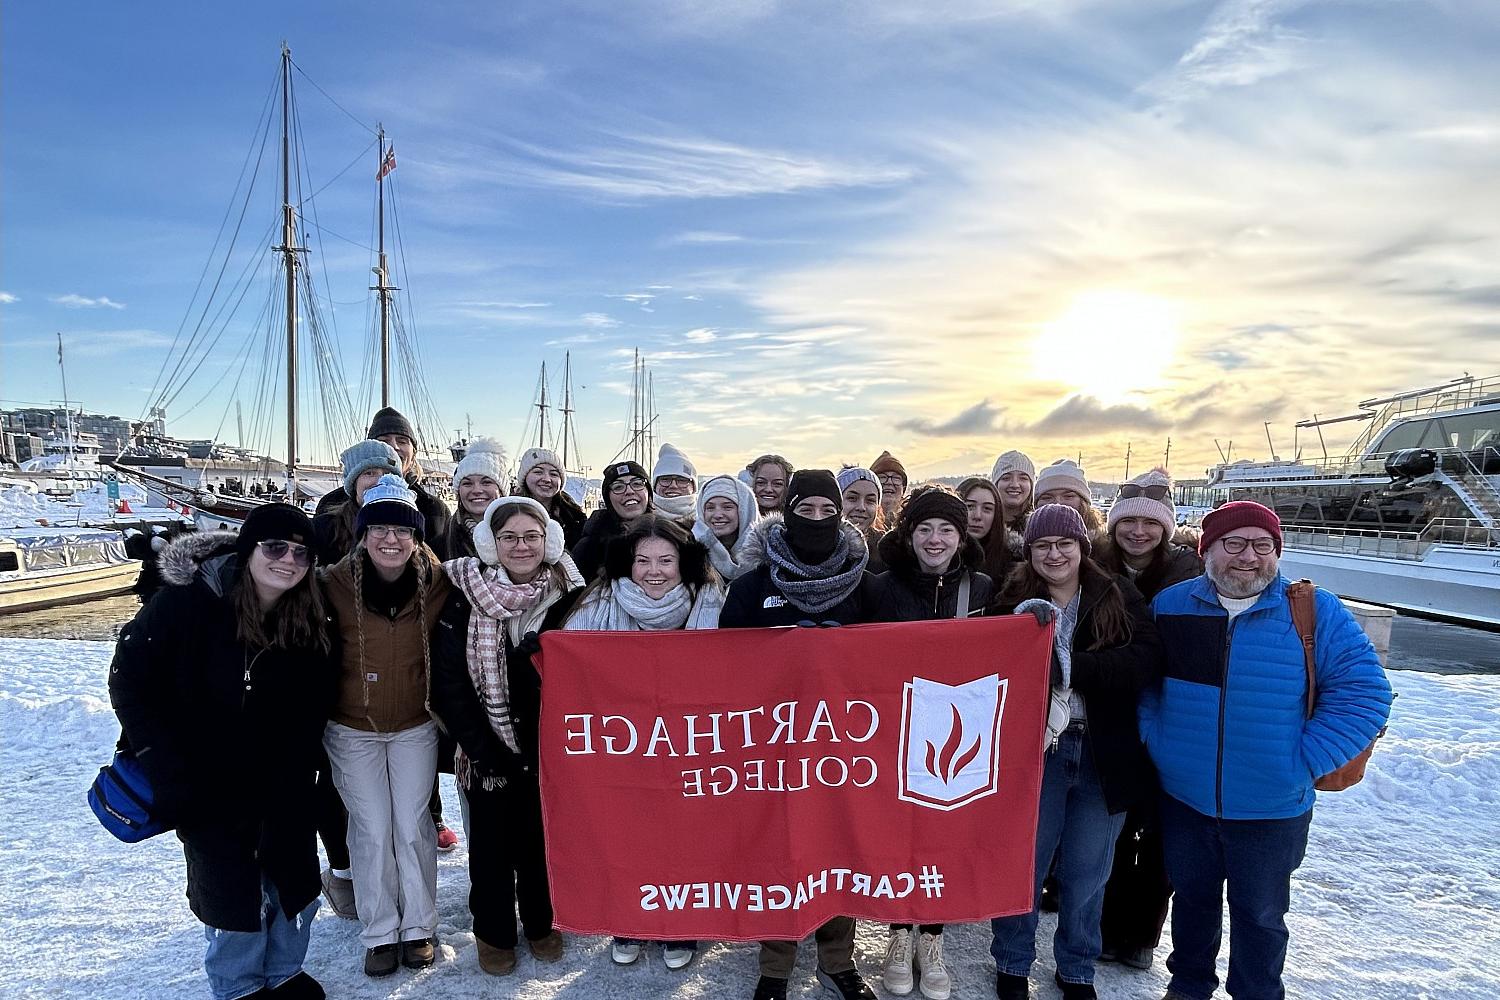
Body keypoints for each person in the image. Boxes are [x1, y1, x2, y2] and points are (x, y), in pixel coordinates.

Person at [1143, 501, 1392, 1000]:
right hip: (1185, 798)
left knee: (1260, 914)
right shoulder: (1171, 606)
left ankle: (1256, 993)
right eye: (1233, 544)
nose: (1247, 557)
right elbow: (1147, 682)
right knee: (1192, 901)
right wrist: (1156, 737)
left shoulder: (1313, 611)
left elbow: (1366, 692)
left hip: (1272, 805)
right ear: (1206, 549)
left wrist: (1304, 760)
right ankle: (1189, 984)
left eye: (1262, 545)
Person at [107, 505, 334, 1000]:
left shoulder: (309, 613)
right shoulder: (189, 603)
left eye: (301, 552)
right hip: (206, 776)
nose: (288, 560)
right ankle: (239, 986)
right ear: (248, 549)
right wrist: (160, 762)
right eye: (275, 547)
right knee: (232, 892)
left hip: (283, 778)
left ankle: (284, 971)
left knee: (291, 882)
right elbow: (129, 681)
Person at [990, 504, 1164, 1000]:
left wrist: (1072, 667)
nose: (1054, 554)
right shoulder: (1015, 596)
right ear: (1030, 552)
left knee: (1090, 869)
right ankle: (1011, 960)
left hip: (1102, 752)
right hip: (1035, 750)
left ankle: (1077, 966)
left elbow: (1145, 660)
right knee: (1026, 861)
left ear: (1082, 547)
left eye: (1064, 543)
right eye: (1042, 546)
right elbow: (995, 666)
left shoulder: (1116, 594)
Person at [721, 469, 878, 1000]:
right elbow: (720, 667)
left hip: (845, 746)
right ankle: (775, 965)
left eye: (826, 511)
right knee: (779, 854)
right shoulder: (751, 586)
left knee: (838, 852)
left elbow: (895, 657)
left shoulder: (865, 582)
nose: (815, 520)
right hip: (772, 744)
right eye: (804, 509)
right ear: (786, 513)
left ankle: (838, 959)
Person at [432, 496, 585, 977]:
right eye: (509, 537)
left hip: (548, 744)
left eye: (531, 536)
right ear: (491, 543)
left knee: (541, 843)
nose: (521, 546)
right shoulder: (463, 594)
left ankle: (542, 923)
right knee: (491, 850)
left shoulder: (570, 593)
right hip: (486, 747)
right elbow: (450, 682)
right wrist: (482, 748)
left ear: (549, 541)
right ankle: (493, 932)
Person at [563, 515, 724, 971]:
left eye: (666, 560)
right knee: (631, 834)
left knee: (689, 835)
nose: (654, 570)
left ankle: (684, 922)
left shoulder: (711, 601)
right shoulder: (599, 601)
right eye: (643, 560)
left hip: (694, 743)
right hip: (625, 745)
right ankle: (631, 919)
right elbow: (576, 668)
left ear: (683, 562)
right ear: (627, 564)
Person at [320, 475, 451, 977]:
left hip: (415, 723)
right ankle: (379, 932)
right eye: (380, 528)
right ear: (363, 532)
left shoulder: (437, 580)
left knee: (412, 824)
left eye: (403, 529)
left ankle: (418, 926)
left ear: (417, 536)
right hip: (353, 726)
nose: (391, 539)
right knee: (372, 827)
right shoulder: (332, 583)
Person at [868, 486, 996, 1000]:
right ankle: (900, 936)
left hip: (956, 734)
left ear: (961, 537)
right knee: (898, 839)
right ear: (908, 534)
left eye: (946, 529)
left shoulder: (983, 587)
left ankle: (933, 940)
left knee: (945, 836)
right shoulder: (879, 587)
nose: (935, 539)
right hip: (892, 731)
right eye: (924, 529)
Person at [1093, 468, 1205, 971]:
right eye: (1128, 521)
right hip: (1113, 707)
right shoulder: (1096, 564)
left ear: (1166, 528)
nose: (1138, 532)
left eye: (1150, 523)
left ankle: (1141, 935)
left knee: (1159, 829)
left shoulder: (1188, 571)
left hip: (1171, 708)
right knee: (1113, 822)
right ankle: (1104, 926)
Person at [315, 407, 453, 558]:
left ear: (414, 454)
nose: (394, 446)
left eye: (402, 441)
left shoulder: (434, 510)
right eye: (384, 441)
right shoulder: (330, 507)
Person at [312, 439, 403, 566]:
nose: (379, 481)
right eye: (369, 473)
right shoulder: (325, 528)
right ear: (354, 484)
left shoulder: (411, 525)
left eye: (388, 474)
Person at [571, 461, 654, 582]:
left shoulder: (667, 536)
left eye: (637, 484)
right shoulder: (589, 548)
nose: (629, 491)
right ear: (608, 500)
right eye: (618, 487)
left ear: (648, 493)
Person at [514, 446, 588, 550]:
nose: (547, 479)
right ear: (525, 477)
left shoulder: (574, 517)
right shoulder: (509, 513)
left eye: (553, 474)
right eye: (538, 472)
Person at [691, 473, 760, 581]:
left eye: (727, 507)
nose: (718, 515)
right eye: (710, 508)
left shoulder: (768, 556)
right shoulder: (689, 552)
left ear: (744, 511)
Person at [449, 438, 508, 560]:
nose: (476, 490)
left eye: (486, 482)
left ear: (502, 491)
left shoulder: (521, 535)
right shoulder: (443, 539)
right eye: (467, 483)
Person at [956, 475, 1014, 585]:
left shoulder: (1012, 566)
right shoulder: (937, 557)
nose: (977, 516)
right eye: (970, 506)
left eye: (987, 509)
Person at [836, 465, 886, 573]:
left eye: (870, 500)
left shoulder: (886, 552)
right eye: (852, 498)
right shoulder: (823, 545)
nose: (861, 507)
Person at [1034, 459, 1104, 533]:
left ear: (1083, 502)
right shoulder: (1023, 541)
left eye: (1068, 496)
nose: (1058, 503)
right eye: (1047, 498)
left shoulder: (1106, 542)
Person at [651, 442, 699, 521]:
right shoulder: (640, 522)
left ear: (693, 487)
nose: (673, 485)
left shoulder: (708, 523)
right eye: (666, 479)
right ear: (655, 485)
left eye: (682, 480)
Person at [990, 451, 1036, 534]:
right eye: (1006, 478)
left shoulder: (1038, 525)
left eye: (1023, 478)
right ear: (995, 484)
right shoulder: (982, 523)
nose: (1015, 485)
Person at [870, 450, 909, 516]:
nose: (889, 482)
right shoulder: (859, 521)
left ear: (903, 488)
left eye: (896, 478)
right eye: (882, 477)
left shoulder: (914, 520)